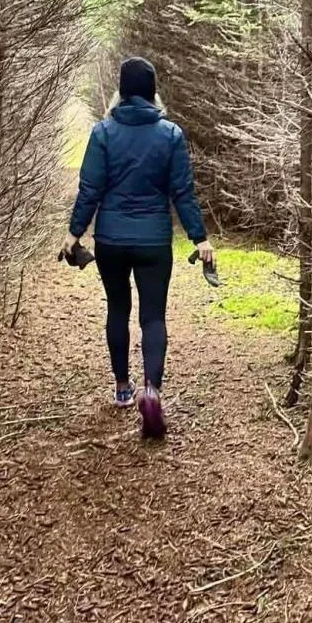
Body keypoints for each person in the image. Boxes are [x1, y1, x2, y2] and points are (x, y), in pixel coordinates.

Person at [62, 57, 214, 439]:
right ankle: (152, 391)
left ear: (121, 91)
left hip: (111, 240)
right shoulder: (171, 134)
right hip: (154, 241)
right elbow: (183, 193)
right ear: (152, 92)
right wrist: (200, 238)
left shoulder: (103, 132)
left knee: (117, 309)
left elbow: (90, 189)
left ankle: (121, 388)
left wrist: (74, 233)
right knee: (153, 317)